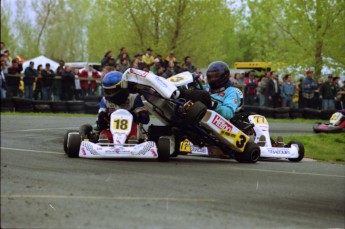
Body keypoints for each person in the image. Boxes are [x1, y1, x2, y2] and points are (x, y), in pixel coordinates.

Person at [97, 71, 150, 143]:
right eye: (108, 91)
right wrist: (103, 116)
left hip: (131, 127)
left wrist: (137, 115)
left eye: (113, 90)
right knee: (104, 129)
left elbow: (145, 119)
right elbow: (100, 122)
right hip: (111, 127)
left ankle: (132, 139)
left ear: (122, 86)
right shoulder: (105, 100)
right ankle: (105, 139)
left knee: (134, 127)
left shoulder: (134, 98)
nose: (110, 94)